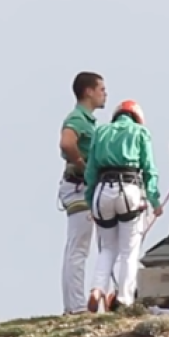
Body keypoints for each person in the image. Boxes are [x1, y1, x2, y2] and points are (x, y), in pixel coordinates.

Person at [83, 99, 162, 313]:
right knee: (129, 250)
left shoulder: (101, 132)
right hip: (129, 189)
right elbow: (149, 169)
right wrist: (155, 200)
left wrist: (90, 202)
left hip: (102, 191)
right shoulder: (140, 132)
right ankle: (124, 299)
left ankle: (97, 289)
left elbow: (90, 171)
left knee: (107, 247)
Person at [57, 71, 107, 315]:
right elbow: (67, 143)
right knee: (79, 248)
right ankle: (76, 305)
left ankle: (72, 304)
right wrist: (83, 166)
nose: (104, 94)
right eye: (101, 89)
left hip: (78, 186)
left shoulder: (86, 120)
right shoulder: (78, 118)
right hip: (79, 188)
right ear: (88, 91)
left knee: (75, 248)